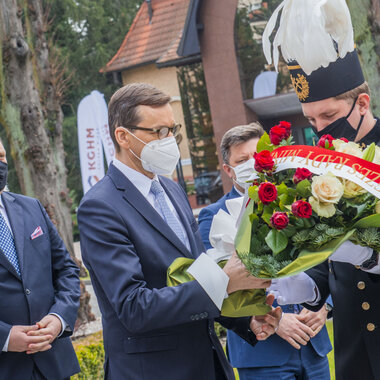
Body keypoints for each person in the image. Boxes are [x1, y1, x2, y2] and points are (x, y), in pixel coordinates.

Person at [77, 83, 282, 380]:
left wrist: (245, 319)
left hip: (207, 362)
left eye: (173, 130)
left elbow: (198, 274)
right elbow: (134, 307)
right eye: (158, 132)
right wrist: (225, 282)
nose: (169, 140)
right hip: (153, 371)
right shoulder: (100, 207)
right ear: (122, 136)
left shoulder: (171, 189)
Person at [263, 2, 380, 379]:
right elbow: (332, 260)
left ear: (362, 103)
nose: (320, 130)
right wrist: (304, 284)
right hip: (355, 350)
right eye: (311, 120)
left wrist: (371, 258)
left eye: (328, 116)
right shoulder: (318, 167)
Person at [198, 123, 332, 380]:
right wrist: (273, 320)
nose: (252, 163)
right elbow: (215, 285)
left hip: (313, 342)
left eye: (256, 156)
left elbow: (327, 256)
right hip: (263, 352)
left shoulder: (296, 199)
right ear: (228, 169)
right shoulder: (213, 216)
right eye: (242, 160)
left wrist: (324, 304)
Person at [0, 140, 80, 380]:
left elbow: (66, 269)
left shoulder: (31, 207)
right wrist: (4, 338)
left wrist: (58, 318)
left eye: (2, 157)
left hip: (53, 363)